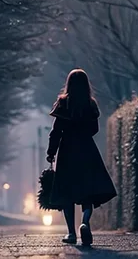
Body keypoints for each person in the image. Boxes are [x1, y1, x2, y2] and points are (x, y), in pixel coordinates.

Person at [46, 69, 117, 246]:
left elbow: (56, 132)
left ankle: (71, 233)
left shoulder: (63, 104)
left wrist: (51, 152)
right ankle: (85, 222)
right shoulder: (90, 104)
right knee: (87, 192)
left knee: (67, 194)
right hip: (86, 150)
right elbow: (95, 129)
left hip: (67, 152)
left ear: (68, 83)